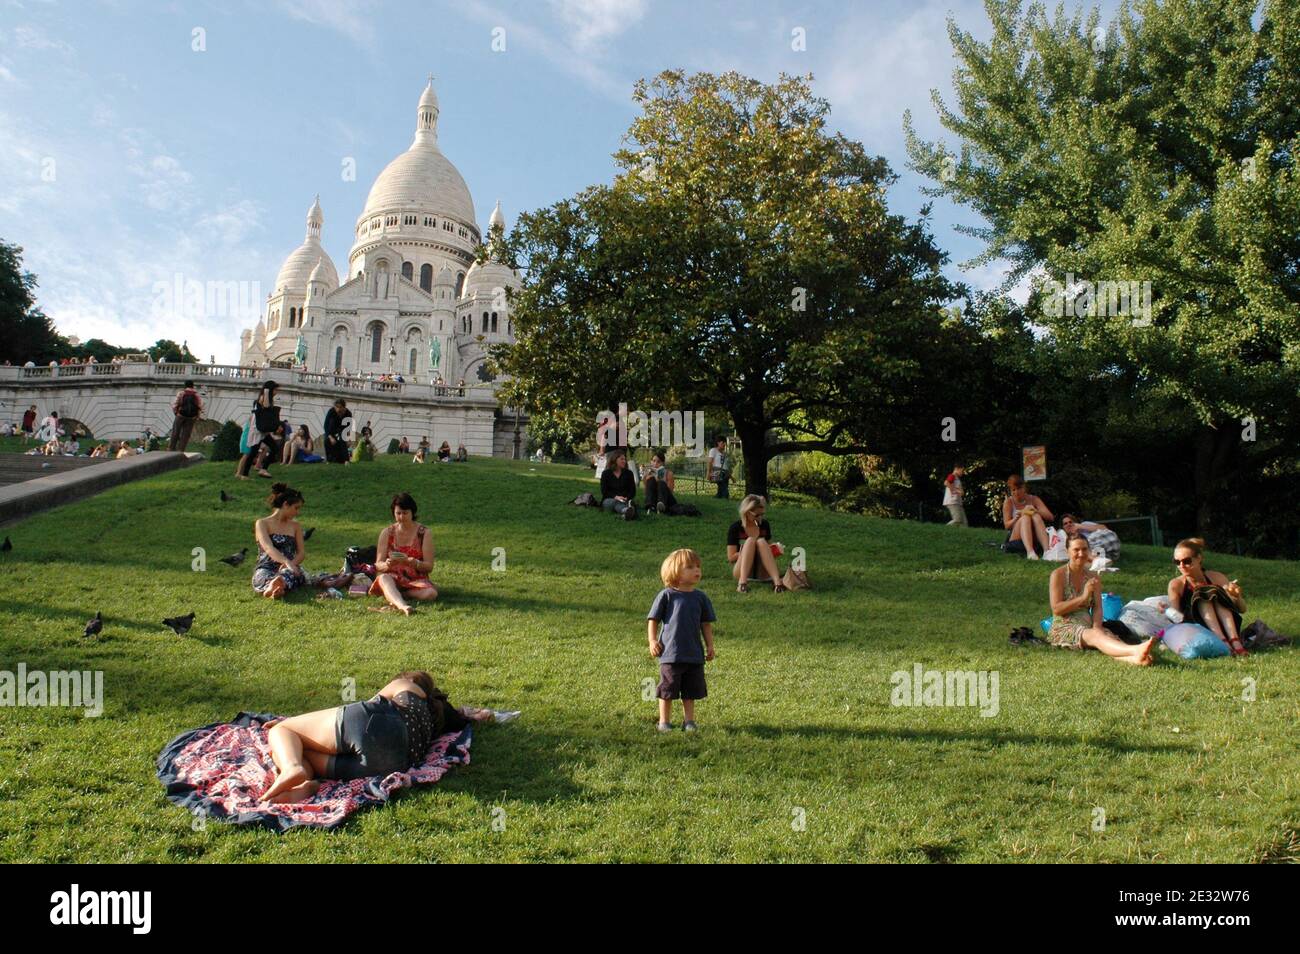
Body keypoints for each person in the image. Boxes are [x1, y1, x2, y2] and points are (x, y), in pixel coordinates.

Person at [259, 671, 497, 803]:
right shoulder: (432, 723)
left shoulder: (405, 685)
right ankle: (304, 786)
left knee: (283, 731)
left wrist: (292, 722)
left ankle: (291, 769)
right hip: (390, 763)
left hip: (374, 722)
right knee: (305, 755)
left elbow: (369, 704)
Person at [1049, 534, 1157, 664]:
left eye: (1084, 549)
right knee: (1097, 637)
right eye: (1076, 550)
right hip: (1064, 626)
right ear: (1067, 551)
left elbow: (1097, 607)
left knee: (1109, 637)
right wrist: (1083, 597)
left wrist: (1097, 627)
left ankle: (1135, 659)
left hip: (1088, 625)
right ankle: (1136, 650)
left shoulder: (1093, 576)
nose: (1081, 553)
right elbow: (1056, 609)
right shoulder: (1058, 575)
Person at [647, 548, 716, 733]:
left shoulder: (700, 598)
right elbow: (653, 620)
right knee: (667, 689)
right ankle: (664, 721)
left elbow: (705, 624)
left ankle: (689, 721)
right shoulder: (667, 595)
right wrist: (653, 641)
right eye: (690, 567)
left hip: (693, 654)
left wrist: (710, 645)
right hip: (670, 653)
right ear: (675, 571)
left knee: (690, 690)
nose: (697, 571)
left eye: (698, 567)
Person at [1167, 537, 1248, 656]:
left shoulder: (1217, 577)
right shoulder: (1176, 585)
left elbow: (1242, 609)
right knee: (1202, 594)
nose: (1181, 565)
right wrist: (1167, 610)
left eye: (1187, 561)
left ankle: (1235, 642)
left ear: (1199, 558)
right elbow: (1177, 619)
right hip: (1199, 627)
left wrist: (1236, 597)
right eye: (1177, 562)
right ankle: (1224, 642)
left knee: (1211, 592)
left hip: (1227, 626)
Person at [370, 492, 438, 615]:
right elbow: (378, 565)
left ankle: (396, 595)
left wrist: (413, 562)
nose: (401, 517)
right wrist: (387, 565)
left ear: (413, 512)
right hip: (392, 577)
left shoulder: (424, 533)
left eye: (405, 513)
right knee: (384, 578)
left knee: (431, 593)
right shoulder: (387, 533)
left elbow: (429, 566)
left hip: (415, 580)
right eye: (398, 513)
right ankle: (402, 606)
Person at [251, 483, 310, 599]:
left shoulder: (295, 526)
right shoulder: (262, 523)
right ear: (286, 504)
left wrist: (291, 565)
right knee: (262, 576)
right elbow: (268, 548)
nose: (297, 512)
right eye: (296, 508)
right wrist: (287, 562)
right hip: (266, 567)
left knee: (291, 574)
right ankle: (274, 587)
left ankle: (275, 587)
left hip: (289, 568)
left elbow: (301, 553)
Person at [727, 494, 785, 593]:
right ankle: (742, 584)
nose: (760, 518)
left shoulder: (764, 525)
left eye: (762, 514)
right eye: (757, 515)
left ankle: (777, 584)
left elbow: (767, 549)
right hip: (742, 571)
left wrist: (775, 549)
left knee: (761, 541)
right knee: (750, 541)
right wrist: (746, 551)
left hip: (762, 571)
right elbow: (731, 557)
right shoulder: (736, 528)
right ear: (746, 512)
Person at [236, 382, 283, 479]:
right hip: (257, 430)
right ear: (270, 389)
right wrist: (266, 392)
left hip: (262, 431)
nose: (277, 392)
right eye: (275, 390)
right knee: (253, 452)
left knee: (273, 448)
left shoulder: (267, 398)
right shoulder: (263, 397)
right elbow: (266, 407)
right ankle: (245, 474)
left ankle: (262, 469)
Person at [1002, 475, 1054, 559]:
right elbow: (1007, 525)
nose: (1016, 492)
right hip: (1015, 537)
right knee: (1025, 517)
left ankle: (1046, 551)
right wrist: (1016, 518)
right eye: (1013, 490)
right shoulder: (1008, 502)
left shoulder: (1034, 499)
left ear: (1024, 488)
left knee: (1035, 515)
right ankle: (1030, 552)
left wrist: (1035, 510)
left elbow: (1050, 517)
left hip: (1034, 535)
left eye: (1019, 489)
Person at [600, 450, 638, 520]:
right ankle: (626, 510)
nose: (624, 461)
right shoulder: (606, 473)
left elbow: (633, 491)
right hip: (610, 500)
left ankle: (626, 513)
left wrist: (627, 498)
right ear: (614, 459)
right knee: (616, 502)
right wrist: (615, 497)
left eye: (625, 459)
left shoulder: (629, 473)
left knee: (627, 502)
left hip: (625, 499)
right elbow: (604, 491)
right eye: (621, 459)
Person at [168, 379, 203, 451]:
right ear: (193, 386)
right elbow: (200, 406)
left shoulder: (181, 393)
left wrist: (176, 413)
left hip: (181, 415)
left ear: (185, 385)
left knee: (175, 431)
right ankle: (181, 450)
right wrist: (197, 416)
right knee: (186, 434)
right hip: (191, 417)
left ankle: (171, 448)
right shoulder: (196, 395)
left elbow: (175, 404)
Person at [323, 399, 351, 464]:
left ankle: (346, 460)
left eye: (340, 407)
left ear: (344, 407)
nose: (338, 409)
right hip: (332, 430)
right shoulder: (331, 411)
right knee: (326, 441)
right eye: (337, 407)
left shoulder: (348, 413)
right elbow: (325, 426)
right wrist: (330, 437)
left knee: (342, 439)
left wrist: (349, 439)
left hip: (342, 431)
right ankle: (328, 460)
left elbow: (349, 428)